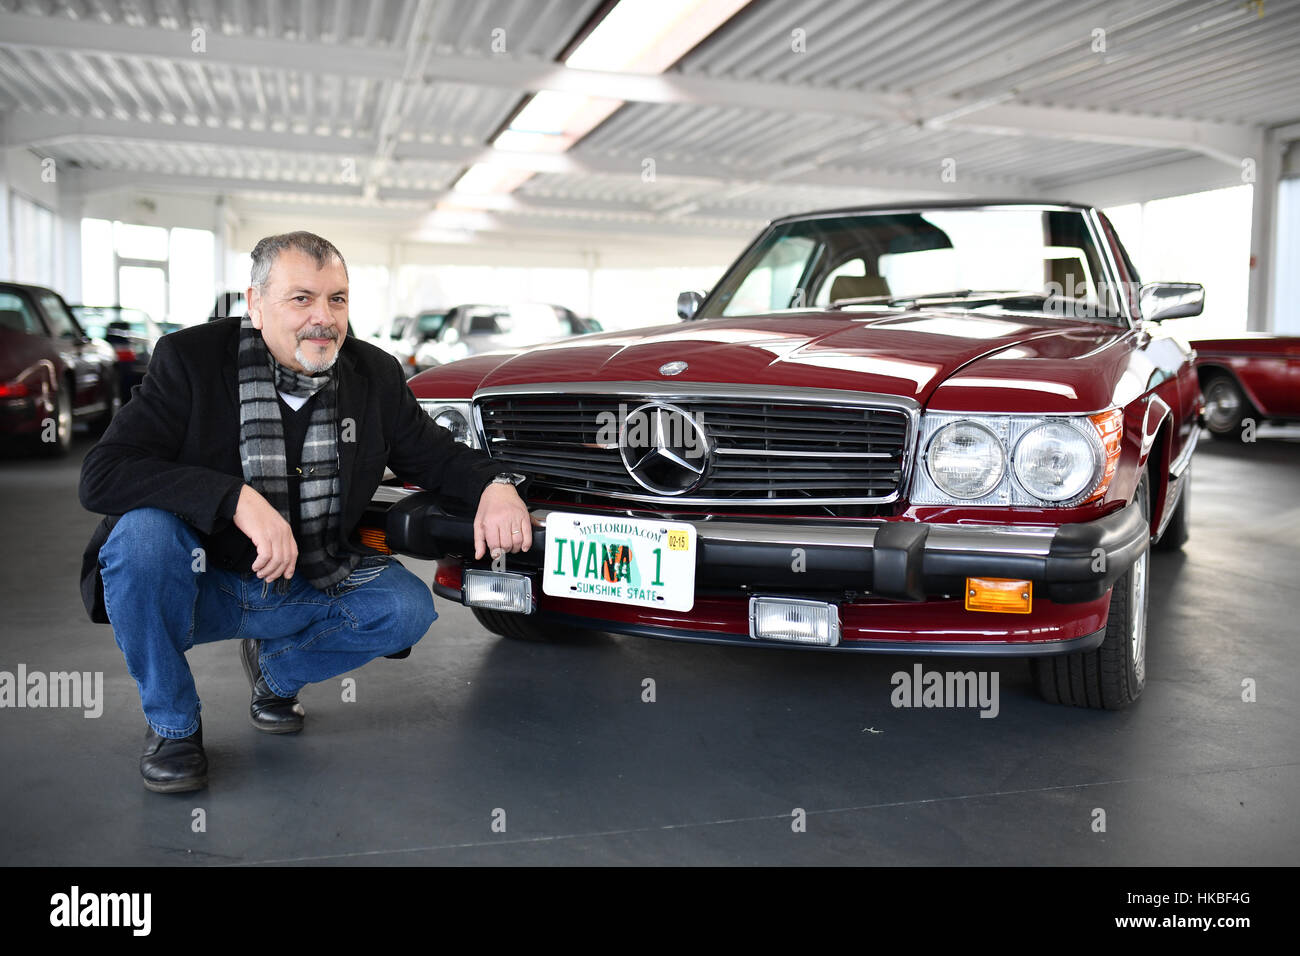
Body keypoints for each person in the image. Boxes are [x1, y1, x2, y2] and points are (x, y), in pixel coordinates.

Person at [78, 231, 531, 793]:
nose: (324, 318)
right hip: (197, 583)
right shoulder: (190, 361)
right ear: (255, 303)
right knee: (140, 537)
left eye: (337, 299)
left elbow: (435, 457)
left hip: (306, 577)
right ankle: (173, 725)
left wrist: (496, 485)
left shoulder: (375, 376)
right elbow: (104, 473)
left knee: (403, 609)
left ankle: (274, 672)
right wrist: (236, 499)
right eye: (302, 299)